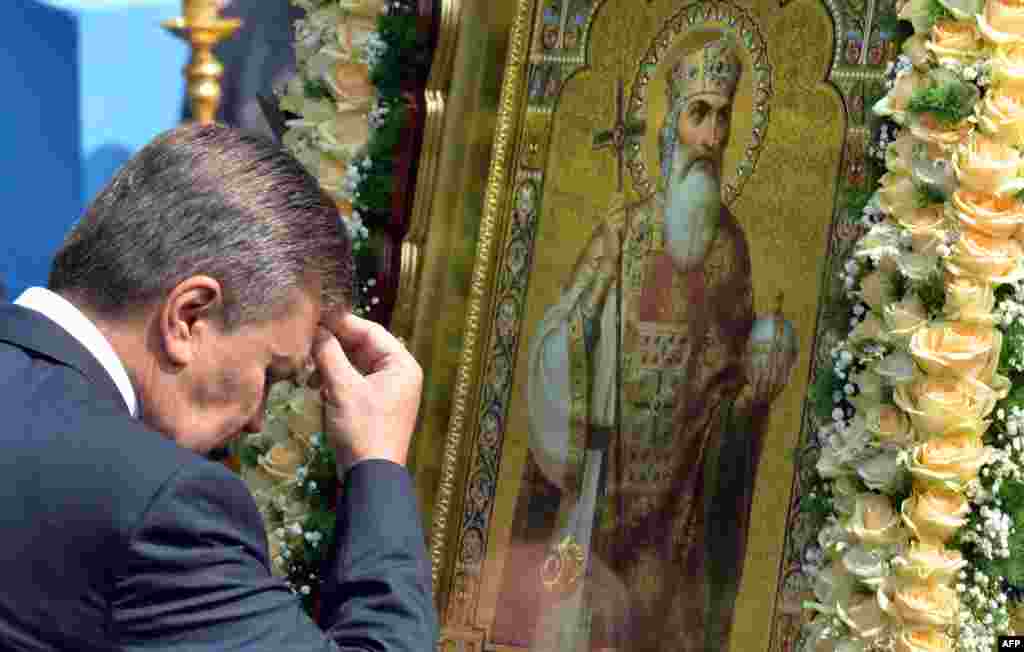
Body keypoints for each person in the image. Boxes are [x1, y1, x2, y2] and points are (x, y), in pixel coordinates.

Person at [0, 123, 438, 651]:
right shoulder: (162, 508)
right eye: (271, 373)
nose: (256, 421)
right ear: (189, 316)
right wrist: (378, 466)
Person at [511, 35, 797, 651]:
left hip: (677, 515)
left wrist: (756, 390)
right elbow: (561, 342)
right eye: (700, 115)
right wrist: (594, 295)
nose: (712, 137)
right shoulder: (626, 229)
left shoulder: (729, 251)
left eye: (724, 118)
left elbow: (727, 394)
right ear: (670, 127)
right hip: (602, 489)